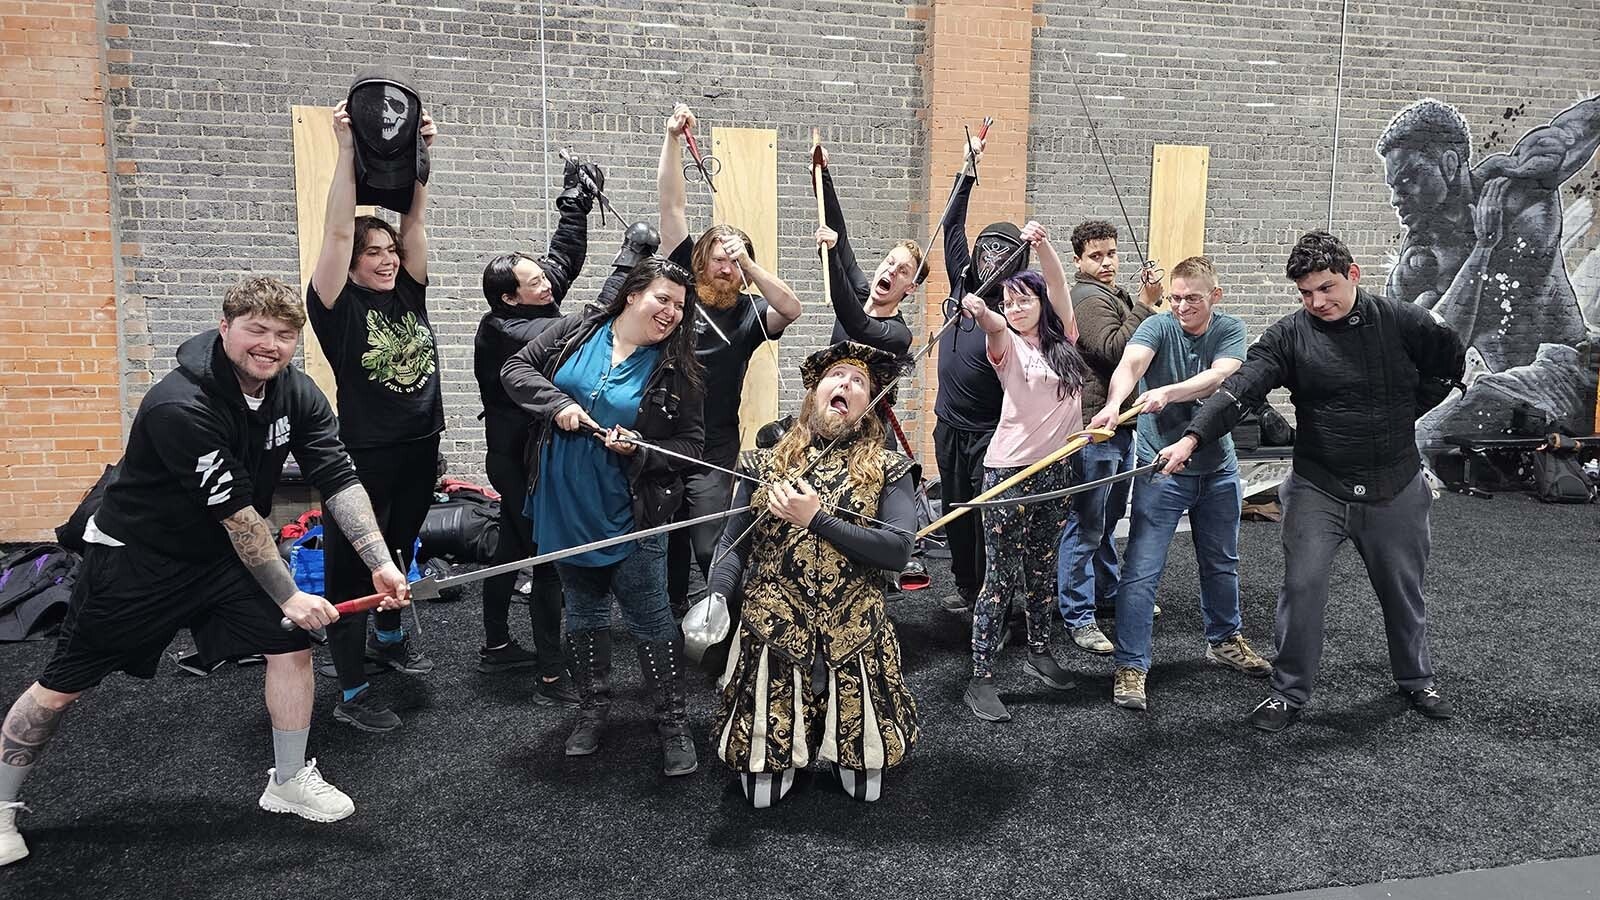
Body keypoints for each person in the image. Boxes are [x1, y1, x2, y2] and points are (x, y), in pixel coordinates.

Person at [0, 277, 410, 866]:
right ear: (226, 328)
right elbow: (238, 515)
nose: (271, 344)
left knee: (290, 646)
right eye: (257, 330)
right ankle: (3, 805)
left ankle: (288, 780)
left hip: (222, 557)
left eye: (285, 335)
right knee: (64, 685)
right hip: (139, 558)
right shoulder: (179, 404)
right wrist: (291, 593)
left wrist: (379, 561)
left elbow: (338, 476)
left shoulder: (298, 393)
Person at [1172, 231, 1467, 733]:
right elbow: (1242, 388)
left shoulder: (1404, 321)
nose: (1317, 302)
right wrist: (1193, 439)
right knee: (1302, 587)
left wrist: (1407, 412)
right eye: (1306, 293)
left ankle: (1417, 680)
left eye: (1326, 288)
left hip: (1394, 483)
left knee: (1402, 591)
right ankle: (1288, 692)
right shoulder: (1290, 334)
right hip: (1318, 485)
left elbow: (1449, 365)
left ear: (1353, 274)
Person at [500, 255, 705, 776]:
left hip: (630, 511)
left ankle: (673, 722)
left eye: (680, 307)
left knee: (651, 619)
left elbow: (691, 445)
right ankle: (593, 710)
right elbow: (515, 370)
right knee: (585, 613)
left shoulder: (678, 371)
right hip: (565, 503)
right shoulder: (577, 328)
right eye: (664, 298)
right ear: (633, 294)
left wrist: (640, 448)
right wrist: (555, 404)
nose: (672, 313)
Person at [707, 341, 919, 806]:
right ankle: (775, 748)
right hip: (773, 623)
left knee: (866, 784)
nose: (845, 384)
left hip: (856, 627)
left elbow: (900, 551)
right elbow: (731, 542)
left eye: (859, 382)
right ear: (813, 391)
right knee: (761, 790)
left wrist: (816, 518)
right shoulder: (761, 464)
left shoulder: (890, 468)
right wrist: (717, 597)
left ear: (869, 406)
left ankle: (852, 748)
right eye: (836, 377)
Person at [306, 100, 440, 732]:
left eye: (389, 250)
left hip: (420, 445)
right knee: (353, 565)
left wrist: (420, 161)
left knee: (402, 547)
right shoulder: (336, 304)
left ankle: (387, 636)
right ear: (352, 262)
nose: (387, 259)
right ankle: (352, 690)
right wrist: (343, 151)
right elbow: (335, 233)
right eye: (373, 252)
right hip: (364, 455)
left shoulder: (409, 289)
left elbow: (415, 226)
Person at [1088, 256, 1271, 712]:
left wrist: (1168, 391)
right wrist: (1114, 404)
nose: (1182, 305)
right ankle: (1131, 664)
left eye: (1192, 297)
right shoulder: (1156, 325)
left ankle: (1224, 640)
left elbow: (1220, 378)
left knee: (1221, 561)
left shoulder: (1230, 328)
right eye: (1175, 297)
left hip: (1217, 468)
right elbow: (1130, 365)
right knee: (1142, 570)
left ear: (1215, 296)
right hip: (1160, 469)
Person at [656, 104, 803, 620]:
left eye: (733, 259)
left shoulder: (747, 314)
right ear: (699, 261)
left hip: (712, 441)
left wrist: (747, 261)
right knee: (655, 539)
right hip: (655, 431)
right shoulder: (676, 295)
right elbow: (671, 210)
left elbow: (792, 307)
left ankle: (726, 621)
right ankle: (668, 613)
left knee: (707, 544)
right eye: (717, 256)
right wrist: (672, 141)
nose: (724, 265)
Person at [471, 156, 604, 703]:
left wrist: (575, 200)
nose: (547, 282)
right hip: (519, 462)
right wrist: (630, 263)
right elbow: (582, 319)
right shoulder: (512, 329)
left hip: (521, 457)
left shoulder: (529, 300)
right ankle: (552, 676)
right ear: (511, 296)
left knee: (510, 550)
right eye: (534, 281)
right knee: (547, 563)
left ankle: (497, 645)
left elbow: (561, 261)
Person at [959, 224, 1090, 723]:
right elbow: (992, 324)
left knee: (1041, 569)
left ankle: (1038, 650)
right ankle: (982, 677)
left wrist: (1043, 245)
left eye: (1021, 300)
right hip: (1008, 474)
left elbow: (1057, 284)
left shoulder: (1066, 341)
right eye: (1008, 302)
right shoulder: (1007, 346)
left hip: (1056, 473)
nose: (1014, 308)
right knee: (1001, 575)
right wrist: (982, 310)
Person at [931, 133, 1035, 619]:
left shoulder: (1015, 307)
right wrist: (968, 167)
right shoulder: (961, 279)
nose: (991, 261)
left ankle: (995, 596)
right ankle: (966, 586)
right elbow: (951, 221)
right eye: (987, 250)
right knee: (954, 510)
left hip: (991, 434)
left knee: (984, 518)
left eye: (1004, 254)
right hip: (948, 425)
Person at [1056, 220, 1165, 655]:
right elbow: (1115, 349)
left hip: (1121, 426)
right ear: (1079, 260)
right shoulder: (1085, 298)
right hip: (1094, 428)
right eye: (1096, 256)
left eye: (1111, 254)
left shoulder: (1112, 295)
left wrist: (1139, 303)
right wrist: (1144, 304)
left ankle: (1105, 592)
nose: (1106, 262)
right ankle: (1078, 615)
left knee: (1104, 524)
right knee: (1085, 526)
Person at [811, 145, 918, 359]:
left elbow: (858, 324)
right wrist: (822, 175)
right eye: (890, 262)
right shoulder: (860, 293)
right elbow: (840, 240)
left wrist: (831, 256)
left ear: (910, 288)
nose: (892, 271)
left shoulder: (899, 334)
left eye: (903, 271)